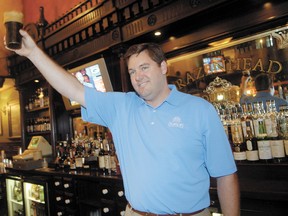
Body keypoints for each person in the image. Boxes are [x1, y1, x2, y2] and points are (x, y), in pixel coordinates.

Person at [5, 30, 240, 216]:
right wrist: (33, 53)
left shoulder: (200, 110)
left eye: (145, 67)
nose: (138, 77)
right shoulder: (122, 107)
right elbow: (74, 89)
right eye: (132, 71)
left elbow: (226, 175)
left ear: (163, 67)